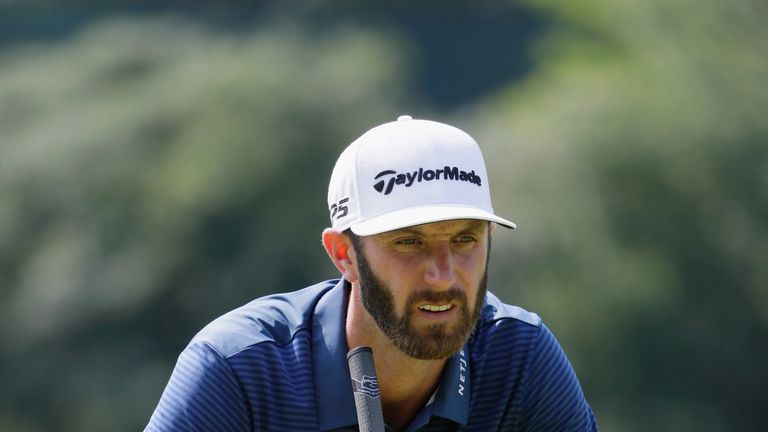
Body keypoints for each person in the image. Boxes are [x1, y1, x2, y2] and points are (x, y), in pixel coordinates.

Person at [145, 115, 598, 431]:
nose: (443, 276)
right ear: (344, 253)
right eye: (408, 242)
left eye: (465, 240)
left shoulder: (518, 355)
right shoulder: (239, 368)